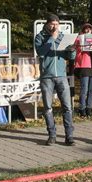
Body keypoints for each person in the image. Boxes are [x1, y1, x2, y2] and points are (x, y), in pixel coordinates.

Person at [35, 14, 76, 146]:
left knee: (67, 106)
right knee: (48, 107)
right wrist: (51, 39)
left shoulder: (63, 37)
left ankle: (69, 136)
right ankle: (52, 135)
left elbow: (70, 57)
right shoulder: (40, 37)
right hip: (47, 77)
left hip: (62, 76)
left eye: (57, 25)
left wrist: (71, 51)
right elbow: (40, 52)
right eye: (52, 24)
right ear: (47, 24)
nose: (55, 27)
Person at [74, 23, 92, 117]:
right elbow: (76, 50)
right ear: (83, 30)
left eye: (89, 29)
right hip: (84, 65)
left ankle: (89, 107)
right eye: (86, 29)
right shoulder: (79, 38)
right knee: (84, 89)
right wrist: (81, 45)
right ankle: (82, 108)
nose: (88, 31)